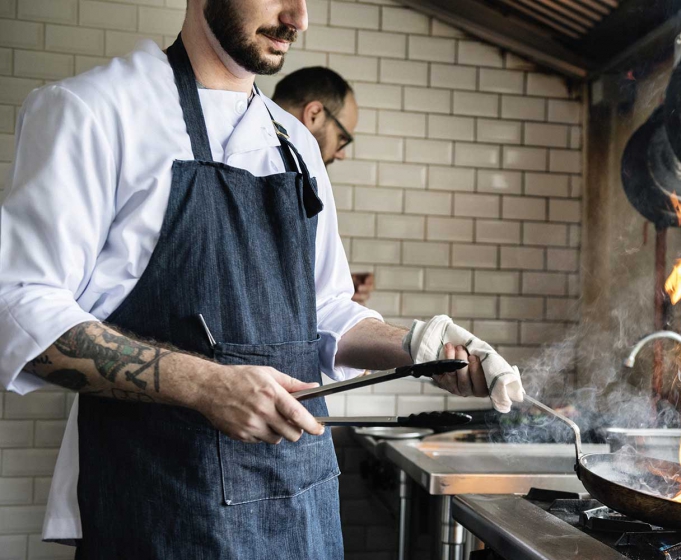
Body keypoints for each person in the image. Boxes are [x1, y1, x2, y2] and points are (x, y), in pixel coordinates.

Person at [0, 0, 525, 558]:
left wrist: (418, 345)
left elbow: (322, 309)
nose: (298, 19)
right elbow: (19, 309)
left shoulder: (295, 145)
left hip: (300, 506)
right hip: (163, 507)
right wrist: (205, 386)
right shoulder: (93, 110)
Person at [271, 66, 375, 304]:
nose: (341, 154)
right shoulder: (274, 174)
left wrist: (331, 288)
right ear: (314, 114)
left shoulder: (303, 179)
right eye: (342, 138)